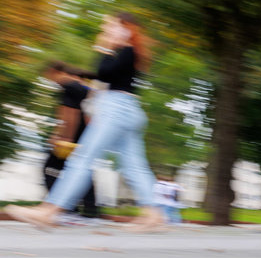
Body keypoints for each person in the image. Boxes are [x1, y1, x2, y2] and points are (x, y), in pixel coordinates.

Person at [4, 13, 165, 231]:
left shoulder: (127, 51)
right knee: (134, 166)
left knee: (82, 159)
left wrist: (104, 48)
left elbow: (103, 74)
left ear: (126, 29)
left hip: (116, 110)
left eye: (109, 27)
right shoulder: (132, 53)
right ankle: (154, 214)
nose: (104, 32)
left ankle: (49, 211)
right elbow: (107, 77)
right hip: (129, 110)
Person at [40, 61, 100, 221]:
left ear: (54, 71)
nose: (49, 79)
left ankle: (65, 208)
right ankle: (90, 209)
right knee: (81, 169)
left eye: (48, 75)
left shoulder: (68, 86)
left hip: (74, 139)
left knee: (49, 169)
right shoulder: (83, 88)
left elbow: (70, 115)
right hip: (87, 137)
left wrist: (63, 138)